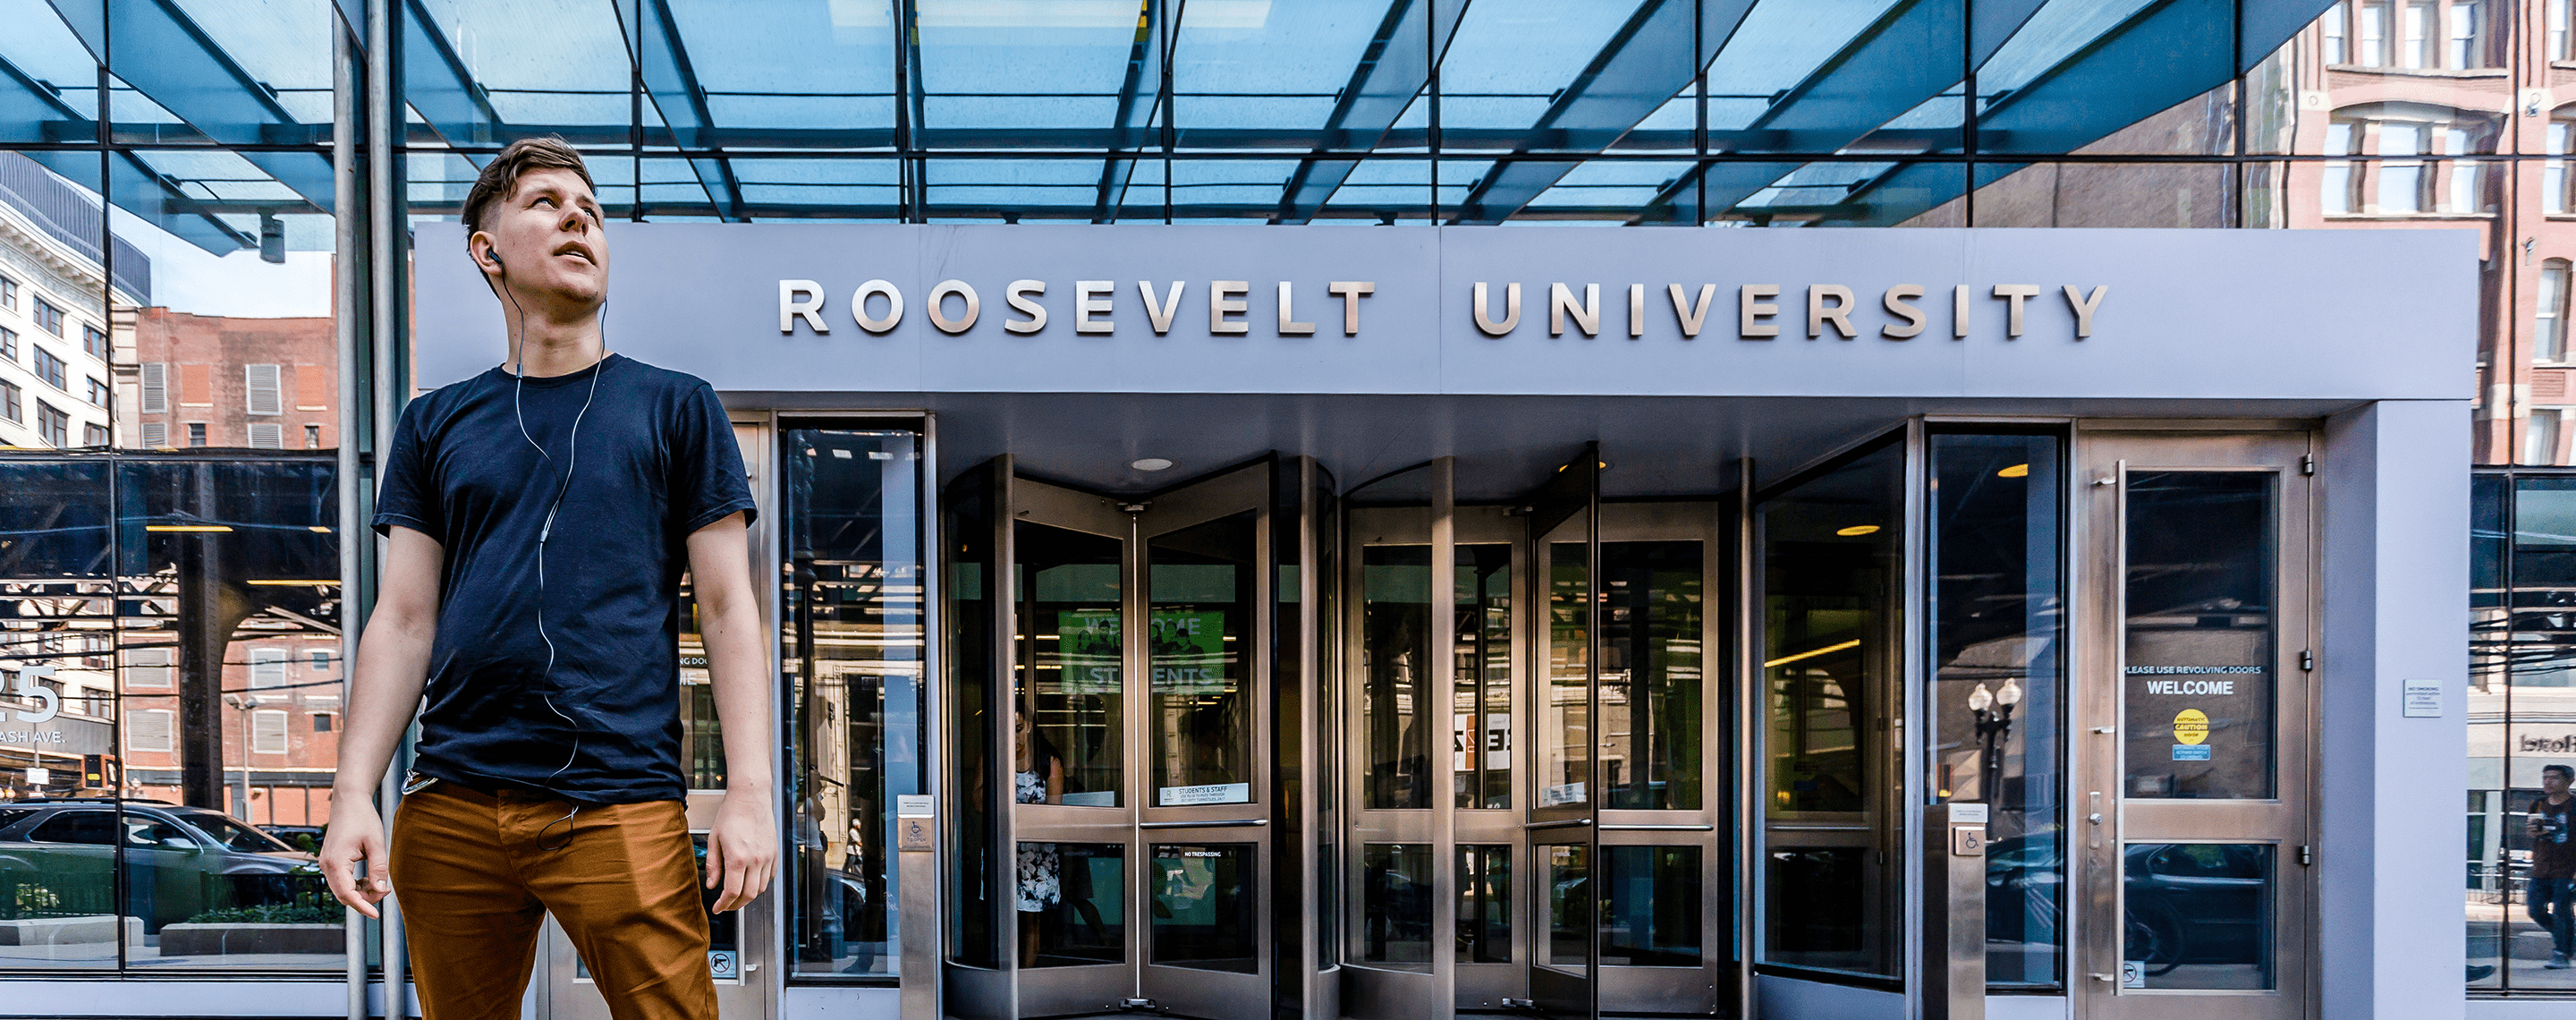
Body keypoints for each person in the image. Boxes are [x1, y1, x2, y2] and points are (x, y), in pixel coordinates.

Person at [317, 137, 775, 1019]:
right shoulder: (434, 422)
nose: (578, 218)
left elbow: (728, 607)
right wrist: (351, 796)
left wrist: (751, 795)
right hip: (450, 807)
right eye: (546, 203)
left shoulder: (677, 405)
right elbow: (404, 619)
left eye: (591, 212)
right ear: (486, 251)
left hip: (618, 804)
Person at [1014, 703, 1064, 966]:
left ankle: (1026, 976)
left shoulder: (1049, 762)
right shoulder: (995, 759)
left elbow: (1054, 813)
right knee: (1005, 916)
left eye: (1020, 728)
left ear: (1030, 727)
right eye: (1009, 730)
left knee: (1031, 919)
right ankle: (1006, 974)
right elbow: (977, 803)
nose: (1015, 737)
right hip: (1006, 849)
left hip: (1037, 856)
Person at [2529, 763, 2576, 970]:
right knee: (2535, 910)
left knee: (2562, 911)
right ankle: (2568, 940)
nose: (2548, 781)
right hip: (2540, 867)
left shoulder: (2574, 806)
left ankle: (2561, 953)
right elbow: (2531, 833)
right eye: (2545, 777)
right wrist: (2533, 831)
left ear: (2569, 781)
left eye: (2554, 777)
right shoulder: (2538, 804)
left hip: (2566, 869)